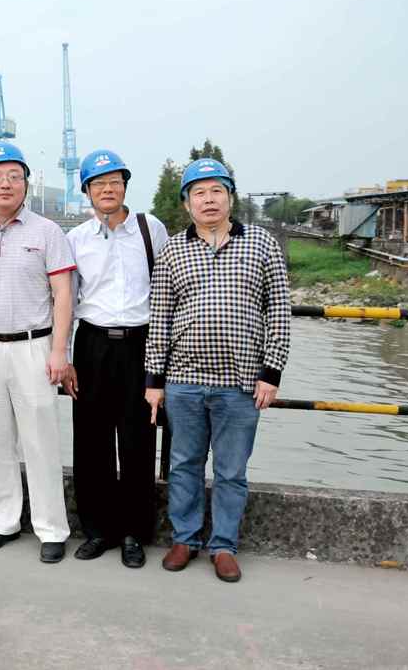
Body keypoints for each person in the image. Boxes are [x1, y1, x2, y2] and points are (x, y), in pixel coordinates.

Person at [144, 158, 291, 583]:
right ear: (187, 203)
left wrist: (271, 372)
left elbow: (279, 310)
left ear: (230, 197)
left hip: (241, 384)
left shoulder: (261, 243)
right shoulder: (173, 250)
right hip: (184, 382)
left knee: (231, 470)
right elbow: (160, 317)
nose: (208, 200)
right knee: (183, 465)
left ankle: (224, 545)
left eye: (216, 191)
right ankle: (184, 538)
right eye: (199, 193)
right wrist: (154, 381)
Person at [0, 141, 76, 564]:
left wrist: (60, 350)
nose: (4, 184)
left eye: (13, 176)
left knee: (40, 440)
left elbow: (63, 294)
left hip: (34, 346)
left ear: (26, 183)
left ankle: (51, 528)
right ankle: (2, 521)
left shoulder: (47, 232)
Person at [66, 150, 169, 569]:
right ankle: (98, 530)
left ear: (125, 187)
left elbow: (166, 289)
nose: (107, 189)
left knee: (138, 439)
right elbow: (66, 300)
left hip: (139, 342)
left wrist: (162, 361)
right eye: (99, 183)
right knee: (91, 441)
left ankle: (134, 534)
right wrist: (65, 356)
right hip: (92, 343)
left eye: (115, 182)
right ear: (87, 191)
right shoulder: (76, 238)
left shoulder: (150, 228)